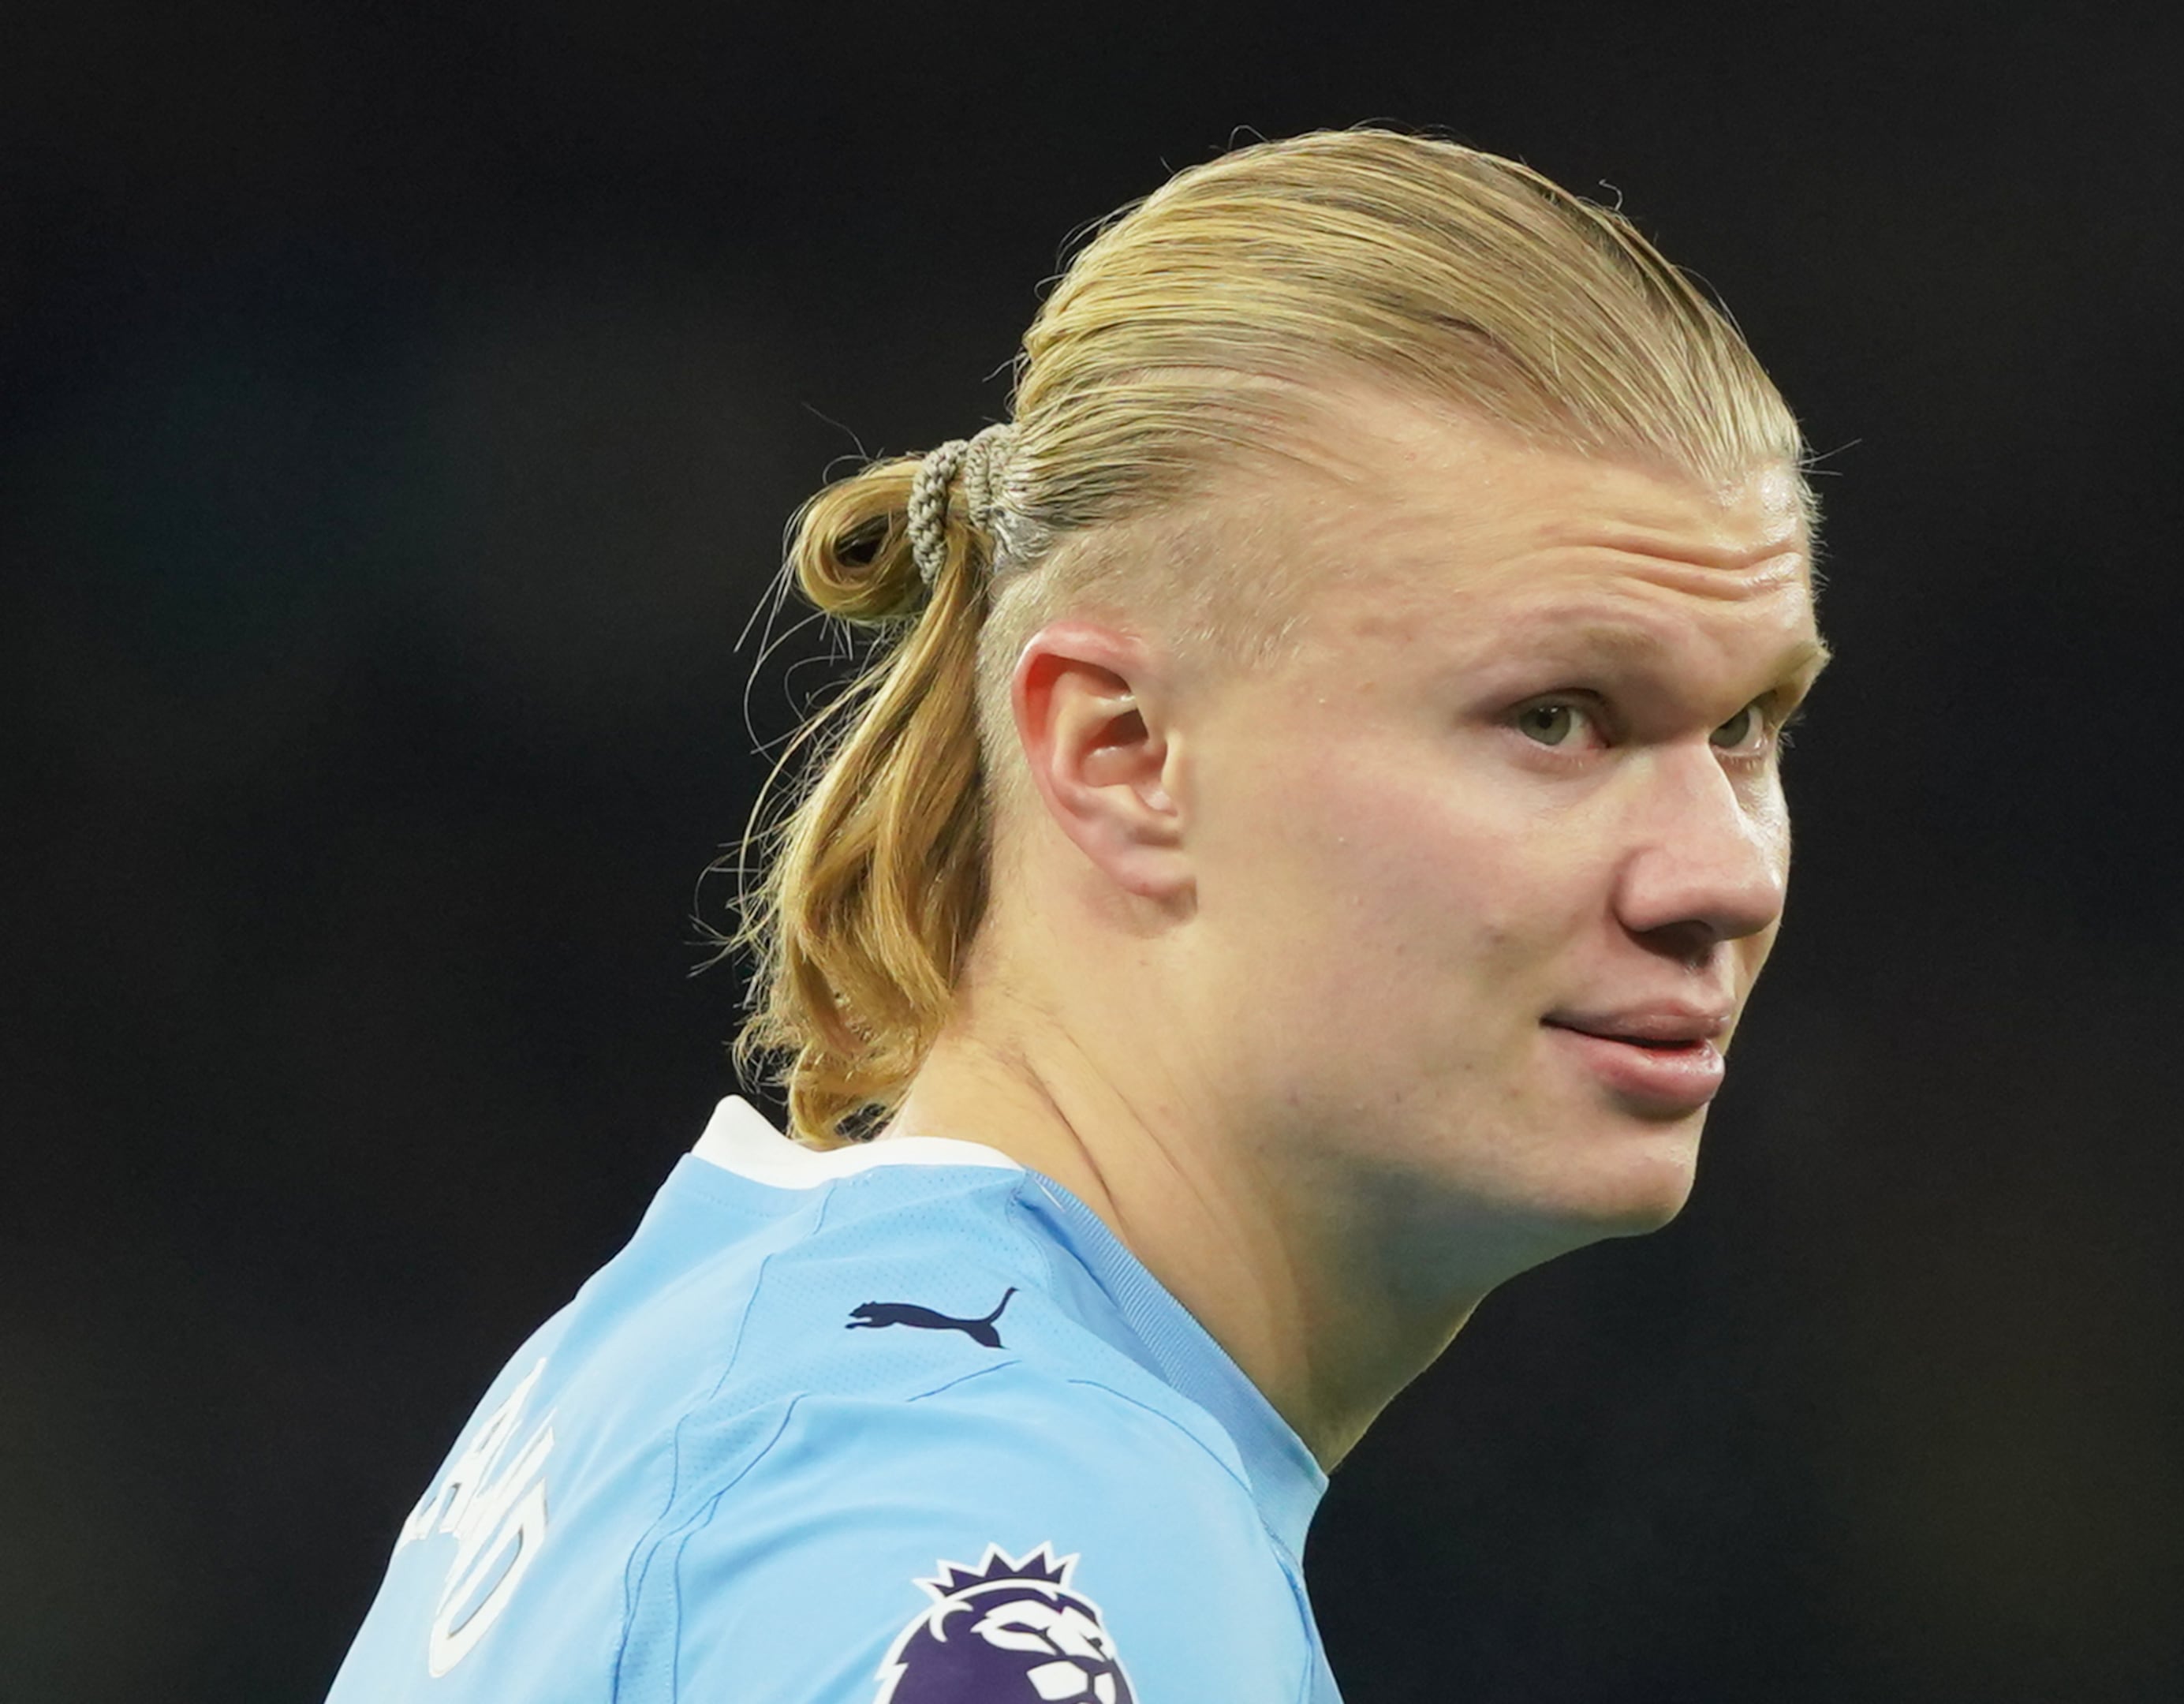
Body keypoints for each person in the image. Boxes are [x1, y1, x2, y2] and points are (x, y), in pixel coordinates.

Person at [329, 127, 1827, 1703]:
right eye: (1557, 718)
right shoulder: (991, 1528)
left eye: (1750, 727)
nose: (1719, 875)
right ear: (1119, 757)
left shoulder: (747, 1380)